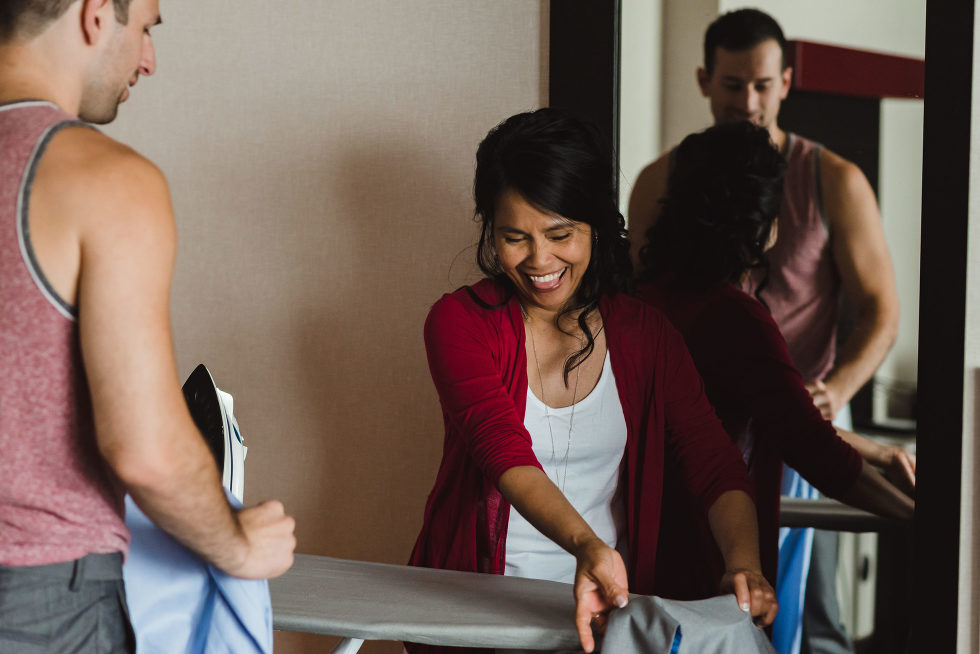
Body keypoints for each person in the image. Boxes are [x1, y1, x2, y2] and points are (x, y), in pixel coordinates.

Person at [408, 108, 777, 654]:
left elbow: (713, 463)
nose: (539, 260)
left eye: (560, 234)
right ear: (490, 230)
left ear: (596, 227)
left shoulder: (645, 335)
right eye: (515, 237)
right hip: (479, 615)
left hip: (606, 616)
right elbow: (502, 451)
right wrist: (588, 545)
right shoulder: (459, 323)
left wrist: (743, 564)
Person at [0, 1, 295, 651]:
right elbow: (147, 451)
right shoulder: (104, 180)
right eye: (147, 28)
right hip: (40, 604)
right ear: (95, 14)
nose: (149, 60)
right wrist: (239, 545)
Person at [628, 9, 901, 654]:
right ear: (704, 81)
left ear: (785, 82)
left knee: (814, 617)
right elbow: (790, 430)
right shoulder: (726, 305)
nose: (747, 102)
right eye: (732, 85)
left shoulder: (833, 179)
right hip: (752, 456)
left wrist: (839, 398)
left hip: (794, 426)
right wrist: (931, 520)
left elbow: (880, 312)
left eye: (761, 84)